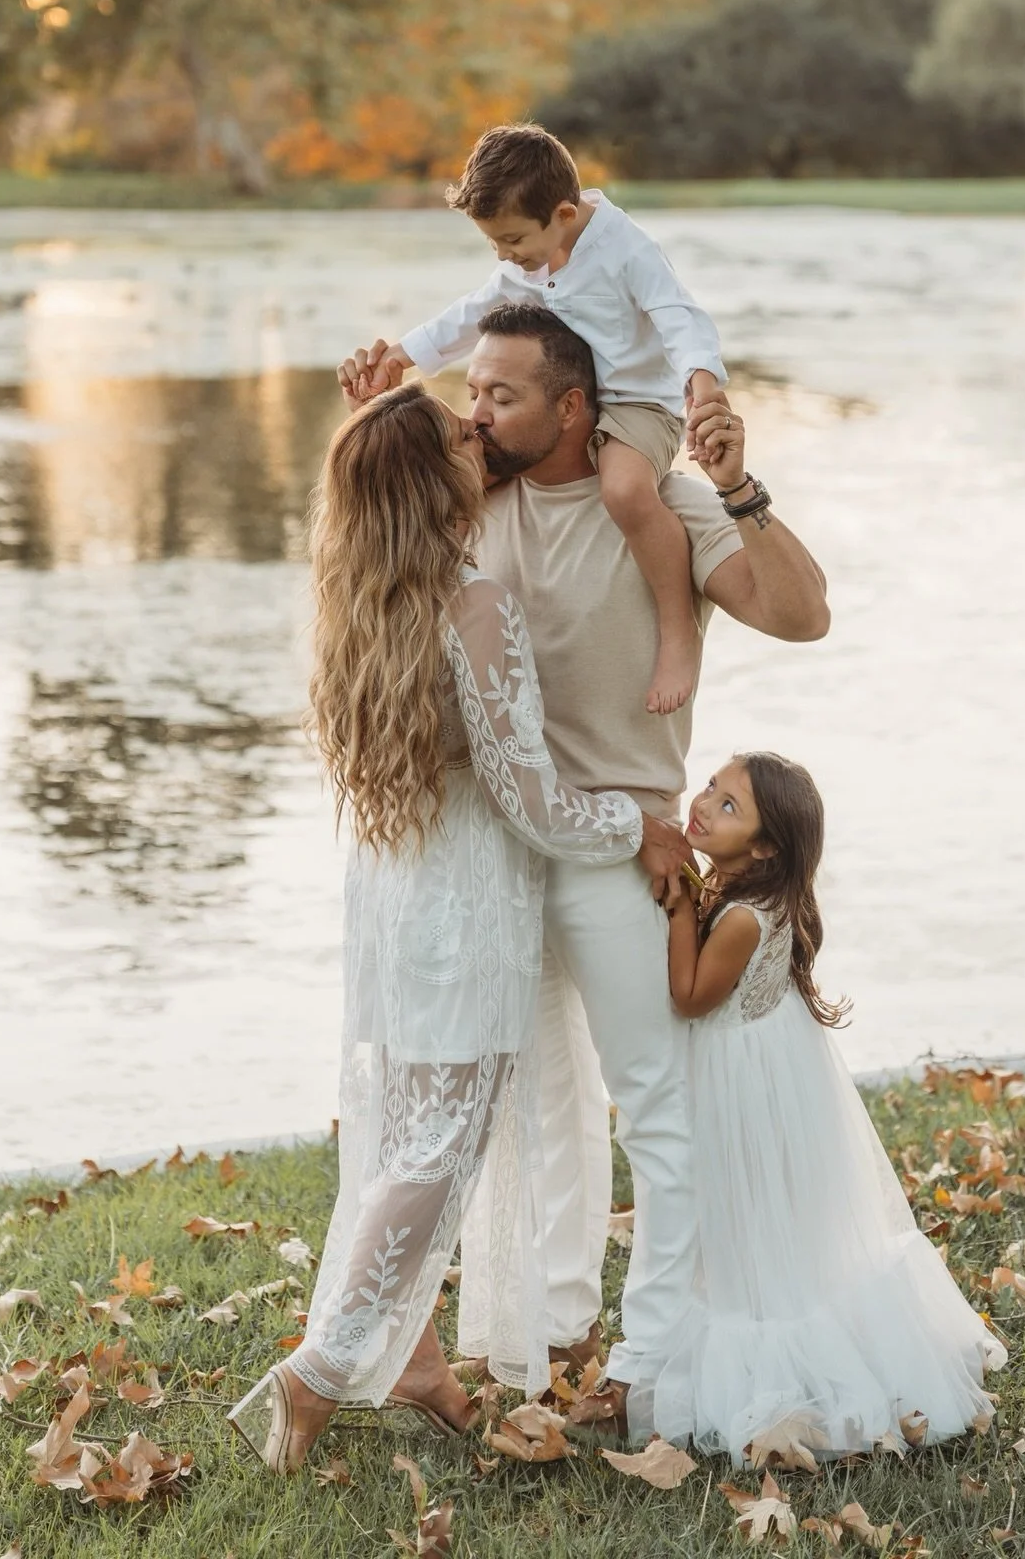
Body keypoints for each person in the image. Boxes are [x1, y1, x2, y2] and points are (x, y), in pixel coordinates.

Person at [337, 304, 831, 1439]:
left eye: (500, 395)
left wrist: (737, 487)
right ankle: (554, 1331)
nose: (475, 413)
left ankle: (643, 1365)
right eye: (471, 391)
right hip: (491, 858)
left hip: (627, 850)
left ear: (572, 406)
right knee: (530, 1109)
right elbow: (372, 522)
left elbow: (803, 616)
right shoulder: (470, 500)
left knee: (655, 1109)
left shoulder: (660, 506)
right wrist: (374, 411)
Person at [228, 385, 677, 1474]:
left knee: (400, 1138)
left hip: (392, 890)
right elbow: (531, 802)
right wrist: (640, 825)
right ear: (436, 486)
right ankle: (320, 1369)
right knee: (440, 1146)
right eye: (460, 439)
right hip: (466, 896)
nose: (481, 439)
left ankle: (418, 1360)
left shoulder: (356, 596)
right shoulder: (474, 603)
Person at [654, 752, 1007, 1458]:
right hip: (774, 1069)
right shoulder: (754, 891)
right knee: (772, 1221)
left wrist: (679, 908)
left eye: (729, 806)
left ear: (764, 847)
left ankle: (789, 1372)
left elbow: (689, 997)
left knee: (750, 1218)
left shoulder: (741, 918)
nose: (705, 802)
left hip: (747, 1087)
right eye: (713, 786)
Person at [352, 122, 731, 716]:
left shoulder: (627, 250)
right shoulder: (531, 257)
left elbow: (679, 317)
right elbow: (473, 312)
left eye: (512, 239)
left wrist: (704, 387)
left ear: (563, 213)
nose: (505, 254)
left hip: (636, 405)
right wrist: (402, 355)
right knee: (464, 476)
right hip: (564, 407)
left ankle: (678, 630)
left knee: (625, 490)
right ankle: (426, 627)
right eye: (494, 244)